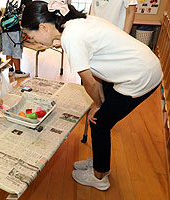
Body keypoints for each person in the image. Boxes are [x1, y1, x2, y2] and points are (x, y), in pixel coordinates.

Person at [21, 0, 162, 190]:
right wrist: (100, 103)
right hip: (141, 67)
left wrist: (98, 104)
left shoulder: (71, 37)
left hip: (140, 77)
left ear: (43, 27)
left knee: (99, 123)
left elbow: (89, 81)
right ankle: (99, 163)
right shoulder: (78, 22)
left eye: (31, 35)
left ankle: (99, 176)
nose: (32, 40)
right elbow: (95, 72)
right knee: (99, 118)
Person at [1, 0, 30, 78]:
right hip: (15, 28)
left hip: (5, 26)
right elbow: (29, 10)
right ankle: (18, 71)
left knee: (8, 50)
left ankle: (10, 70)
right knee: (16, 49)